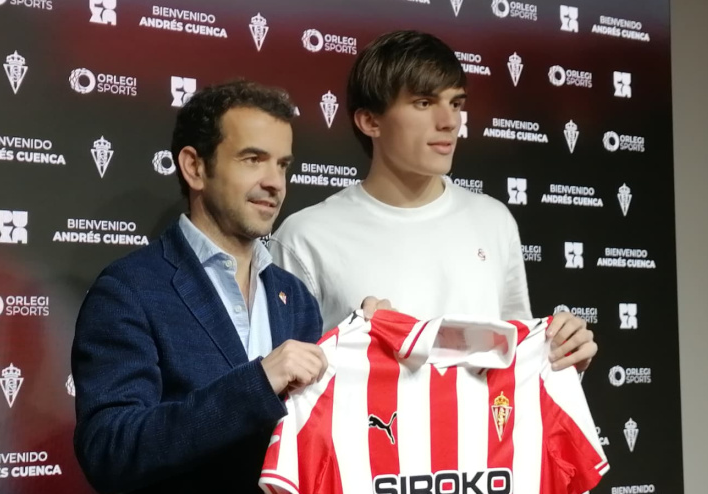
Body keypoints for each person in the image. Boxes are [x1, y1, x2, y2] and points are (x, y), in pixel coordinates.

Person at [269, 30, 597, 372]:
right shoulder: (305, 237)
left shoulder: (494, 221)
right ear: (370, 120)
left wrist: (563, 357)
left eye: (455, 103)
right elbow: (290, 391)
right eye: (424, 103)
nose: (449, 121)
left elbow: (517, 368)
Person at [71, 80, 328, 494]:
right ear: (194, 167)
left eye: (282, 164)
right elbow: (109, 450)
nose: (274, 182)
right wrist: (257, 384)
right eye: (253, 159)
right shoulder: (128, 290)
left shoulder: (294, 296)